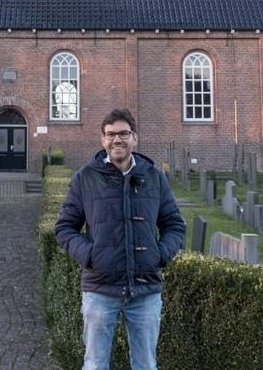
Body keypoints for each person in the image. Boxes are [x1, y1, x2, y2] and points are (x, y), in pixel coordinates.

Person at [54, 108, 185, 370]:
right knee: (94, 364)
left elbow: (174, 225)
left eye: (124, 133)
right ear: (103, 140)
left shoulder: (154, 177)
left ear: (134, 138)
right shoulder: (85, 178)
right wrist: (91, 256)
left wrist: (158, 255)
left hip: (145, 289)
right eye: (111, 134)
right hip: (100, 288)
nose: (117, 140)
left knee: (146, 365)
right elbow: (64, 228)